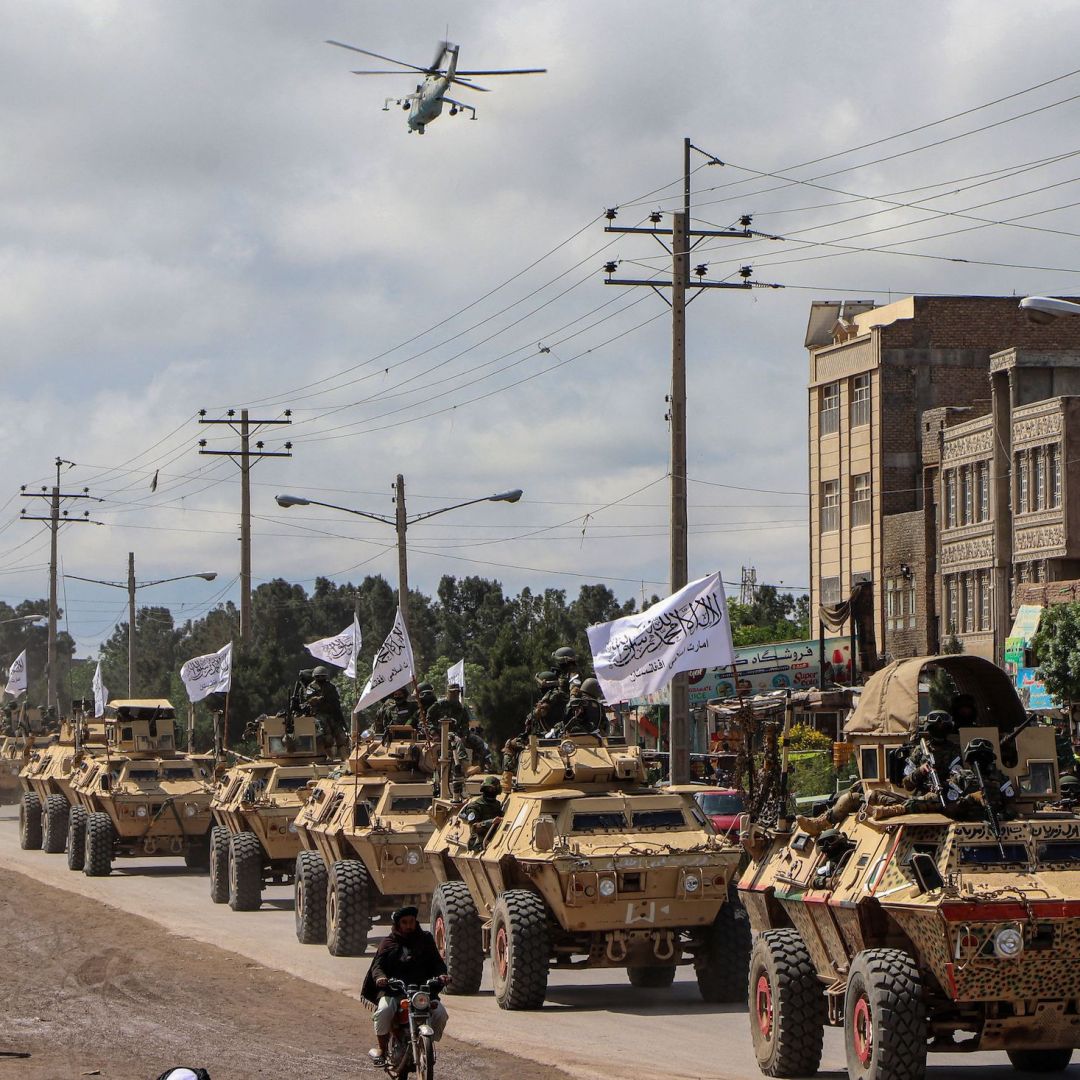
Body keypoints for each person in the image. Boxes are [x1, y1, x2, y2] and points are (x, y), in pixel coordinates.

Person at [361, 906, 450, 1067]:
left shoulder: (426, 939)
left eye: (412, 922)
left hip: (421, 990)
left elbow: (437, 963)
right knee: (384, 1011)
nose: (409, 926)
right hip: (395, 990)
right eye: (404, 922)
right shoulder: (388, 942)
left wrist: (442, 975)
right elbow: (377, 966)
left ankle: (425, 1043)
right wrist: (381, 977)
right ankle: (382, 1049)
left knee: (441, 1014)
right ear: (397, 924)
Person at [428, 682, 492, 770]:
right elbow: (428, 719)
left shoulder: (461, 708)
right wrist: (433, 732)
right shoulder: (439, 705)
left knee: (478, 740)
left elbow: (465, 724)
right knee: (456, 740)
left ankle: (484, 765)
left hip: (457, 733)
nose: (455, 694)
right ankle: (466, 766)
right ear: (448, 693)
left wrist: (464, 735)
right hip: (442, 733)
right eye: (452, 692)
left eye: (457, 692)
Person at [301, 667, 348, 754]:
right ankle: (329, 756)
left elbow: (336, 700)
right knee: (327, 737)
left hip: (333, 714)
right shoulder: (311, 687)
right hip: (319, 714)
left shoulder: (331, 687)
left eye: (323, 676)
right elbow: (309, 700)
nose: (321, 678)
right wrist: (319, 699)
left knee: (341, 736)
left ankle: (344, 757)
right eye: (319, 676)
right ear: (315, 677)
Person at [460, 777, 504, 849]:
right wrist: (491, 822)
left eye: (492, 789)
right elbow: (474, 826)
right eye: (487, 789)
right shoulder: (475, 806)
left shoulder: (497, 804)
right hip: (478, 842)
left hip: (495, 838)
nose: (490, 791)